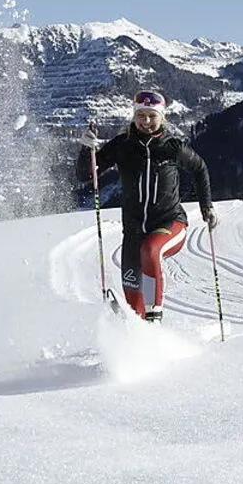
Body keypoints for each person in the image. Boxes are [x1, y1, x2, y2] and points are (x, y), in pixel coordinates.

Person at [78, 90, 218, 322]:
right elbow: (86, 175)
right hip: (133, 233)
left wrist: (207, 207)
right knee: (134, 307)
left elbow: (199, 168)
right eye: (141, 115)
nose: (146, 121)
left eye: (152, 116)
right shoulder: (122, 145)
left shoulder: (172, 147)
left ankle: (155, 316)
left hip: (170, 223)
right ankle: (141, 335)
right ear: (134, 116)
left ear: (161, 117)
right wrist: (87, 150)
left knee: (151, 251)